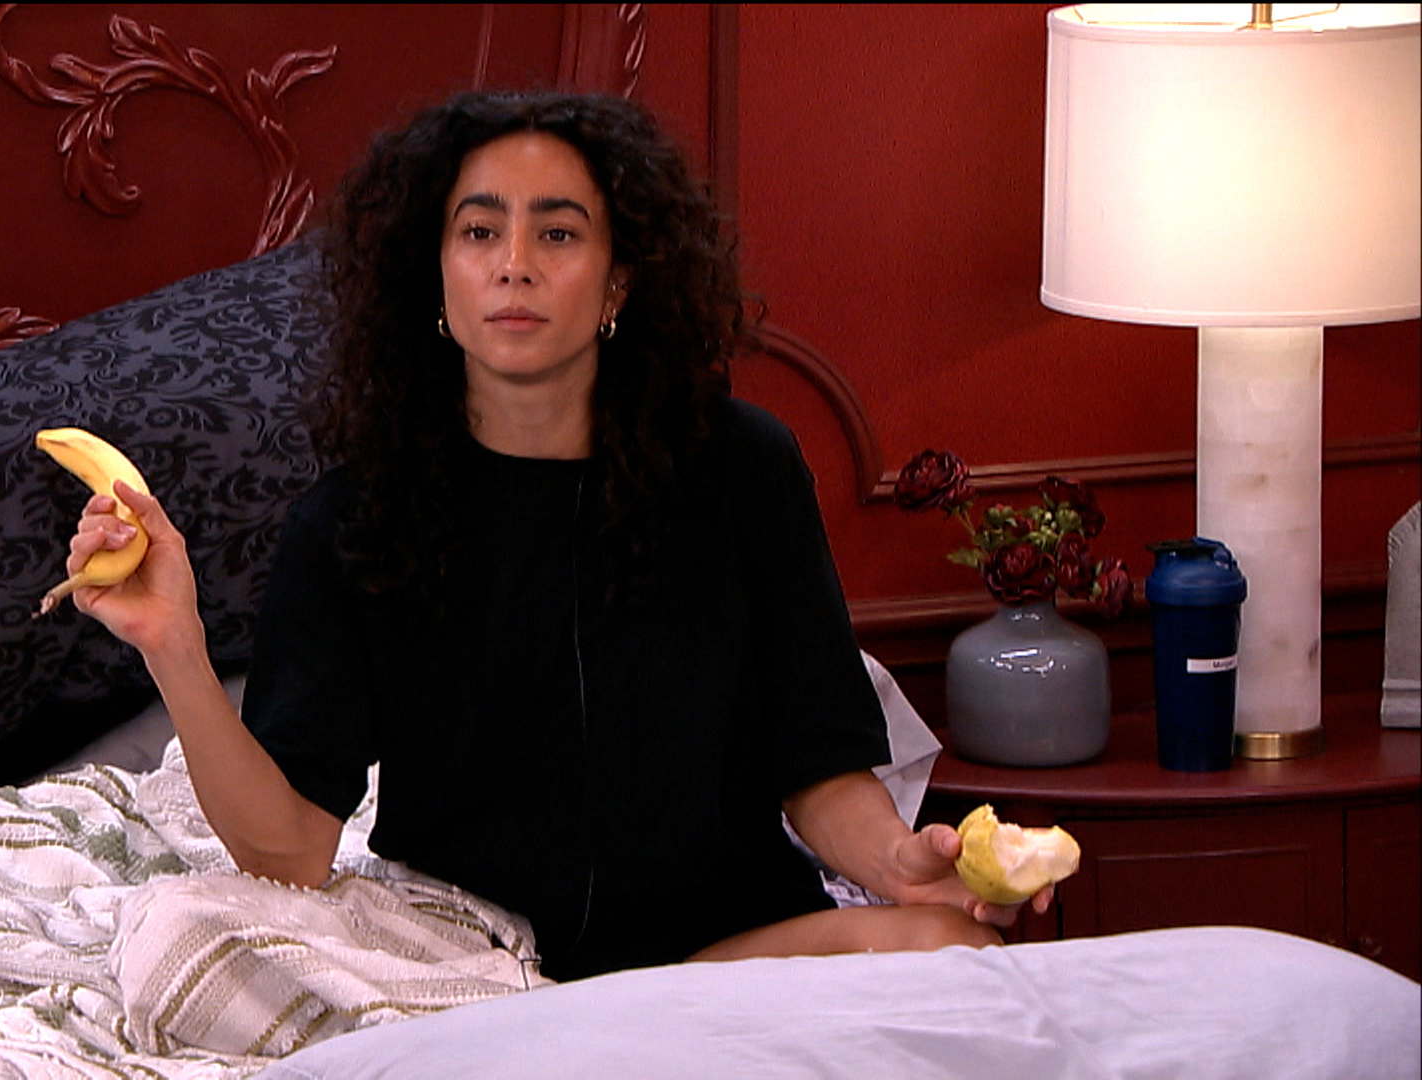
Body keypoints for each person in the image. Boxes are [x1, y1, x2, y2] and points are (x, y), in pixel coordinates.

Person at [63, 89, 1047, 982]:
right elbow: (290, 852)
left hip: (723, 951)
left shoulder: (745, 468)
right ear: (435, 281)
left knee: (953, 951)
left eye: (559, 233)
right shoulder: (353, 520)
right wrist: (176, 648)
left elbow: (819, 770)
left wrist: (900, 865)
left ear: (619, 284)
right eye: (479, 231)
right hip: (475, 965)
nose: (515, 264)